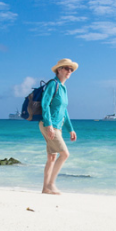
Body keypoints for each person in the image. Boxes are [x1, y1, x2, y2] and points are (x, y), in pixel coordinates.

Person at [39, 58, 78, 194]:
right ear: (59, 70)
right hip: (49, 125)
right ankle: (51, 184)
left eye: (71, 69)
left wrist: (70, 129)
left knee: (52, 157)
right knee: (65, 154)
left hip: (58, 127)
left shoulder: (63, 88)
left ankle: (45, 188)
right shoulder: (53, 84)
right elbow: (45, 104)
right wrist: (49, 124)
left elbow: (64, 111)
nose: (69, 71)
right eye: (66, 68)